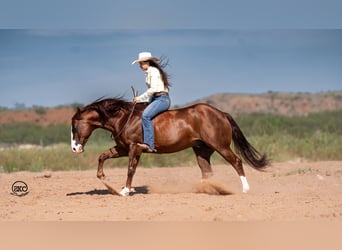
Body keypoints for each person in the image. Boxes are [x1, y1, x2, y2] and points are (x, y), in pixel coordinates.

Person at [132, 52, 171, 152]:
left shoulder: (153, 72)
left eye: (141, 63)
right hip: (156, 98)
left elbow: (153, 89)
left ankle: (149, 144)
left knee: (145, 116)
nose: (140, 66)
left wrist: (139, 98)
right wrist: (143, 102)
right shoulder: (150, 72)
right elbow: (153, 93)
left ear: (147, 62)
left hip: (162, 99)